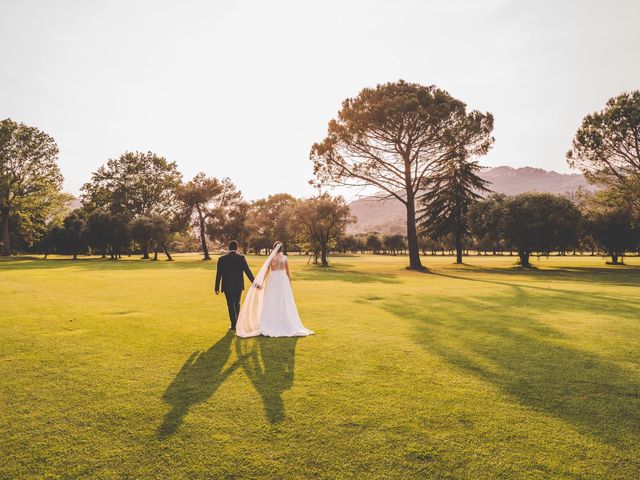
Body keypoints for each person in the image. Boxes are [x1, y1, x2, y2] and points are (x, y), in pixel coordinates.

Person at [236, 241, 313, 338]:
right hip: (282, 280)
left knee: (271, 300)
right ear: (282, 248)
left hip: (273, 280)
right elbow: (288, 273)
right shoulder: (284, 258)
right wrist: (289, 284)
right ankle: (283, 321)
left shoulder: (271, 258)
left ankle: (270, 322)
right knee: (283, 301)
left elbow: (266, 272)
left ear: (273, 248)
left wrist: (261, 282)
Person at [215, 240, 255, 330]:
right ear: (237, 248)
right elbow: (248, 271)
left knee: (230, 304)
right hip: (238, 285)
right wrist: (255, 282)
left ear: (229, 248)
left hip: (227, 285)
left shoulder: (222, 259)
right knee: (237, 303)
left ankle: (234, 324)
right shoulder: (241, 258)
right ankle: (237, 323)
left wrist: (216, 287)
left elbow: (219, 274)